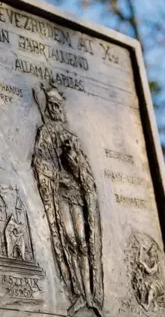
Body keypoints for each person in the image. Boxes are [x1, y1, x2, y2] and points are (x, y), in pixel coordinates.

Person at [32, 83, 103, 316]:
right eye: (50, 105)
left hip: (77, 197)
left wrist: (74, 164)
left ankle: (91, 295)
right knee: (70, 241)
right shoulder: (45, 133)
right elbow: (41, 164)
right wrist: (56, 174)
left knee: (83, 243)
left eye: (57, 105)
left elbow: (86, 173)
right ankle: (78, 294)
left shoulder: (72, 138)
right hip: (60, 196)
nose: (54, 109)